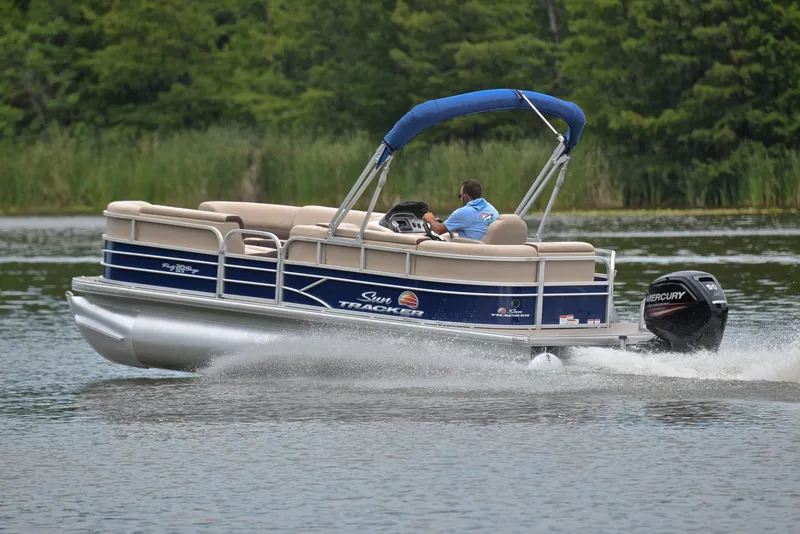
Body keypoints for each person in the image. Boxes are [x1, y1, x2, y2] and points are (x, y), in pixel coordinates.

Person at [423, 179, 498, 240]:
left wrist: (430, 219)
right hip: (488, 250)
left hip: (471, 252)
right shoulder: (492, 209)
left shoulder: (463, 212)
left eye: (460, 195)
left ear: (464, 197)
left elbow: (439, 230)